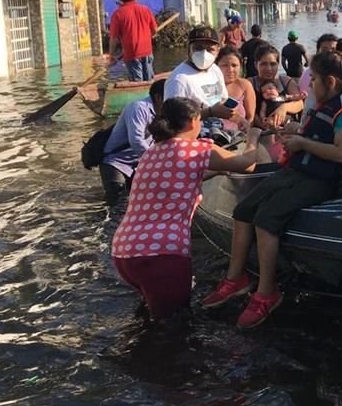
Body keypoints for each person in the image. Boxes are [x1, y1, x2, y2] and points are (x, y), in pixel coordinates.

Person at [201, 51, 342, 329]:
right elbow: (312, 132)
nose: (309, 84)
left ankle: (267, 292)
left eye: (313, 79)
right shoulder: (324, 101)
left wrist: (302, 144)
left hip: (321, 181)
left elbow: (341, 153)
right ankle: (236, 278)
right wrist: (296, 132)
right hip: (297, 171)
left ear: (329, 81)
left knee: (267, 220)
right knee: (244, 210)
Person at [111, 97, 261, 321]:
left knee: (149, 319)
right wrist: (253, 138)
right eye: (200, 120)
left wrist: (216, 171)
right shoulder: (197, 150)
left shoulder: (152, 152)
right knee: (175, 327)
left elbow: (177, 180)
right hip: (162, 255)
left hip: (125, 252)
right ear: (193, 122)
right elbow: (247, 164)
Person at [99, 79, 165, 205]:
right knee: (117, 202)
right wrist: (158, 162)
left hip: (137, 162)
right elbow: (136, 140)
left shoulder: (163, 111)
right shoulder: (138, 108)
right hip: (116, 162)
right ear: (158, 97)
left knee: (137, 200)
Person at [163, 25, 238, 123]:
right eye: (198, 48)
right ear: (188, 49)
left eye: (210, 49)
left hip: (218, 130)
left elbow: (223, 100)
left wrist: (238, 119)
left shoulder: (215, 70)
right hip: (193, 136)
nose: (204, 54)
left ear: (218, 50)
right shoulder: (179, 80)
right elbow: (173, 120)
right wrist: (210, 112)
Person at [108, 0, 158, 82]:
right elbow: (154, 30)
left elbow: (114, 38)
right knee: (149, 80)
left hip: (132, 53)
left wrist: (111, 55)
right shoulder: (145, 10)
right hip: (147, 50)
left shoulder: (118, 14)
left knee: (137, 82)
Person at [250, 44, 305, 130]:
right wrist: (261, 123)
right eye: (263, 64)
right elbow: (248, 110)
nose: (269, 68)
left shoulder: (286, 81)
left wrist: (284, 108)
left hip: (286, 127)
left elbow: (300, 103)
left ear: (278, 65)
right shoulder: (250, 83)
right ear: (255, 64)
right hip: (259, 129)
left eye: (273, 64)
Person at [215, 46, 256, 131]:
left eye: (234, 65)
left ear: (240, 67)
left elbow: (250, 118)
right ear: (216, 66)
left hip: (238, 137)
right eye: (225, 65)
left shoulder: (245, 85)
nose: (230, 69)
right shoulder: (207, 84)